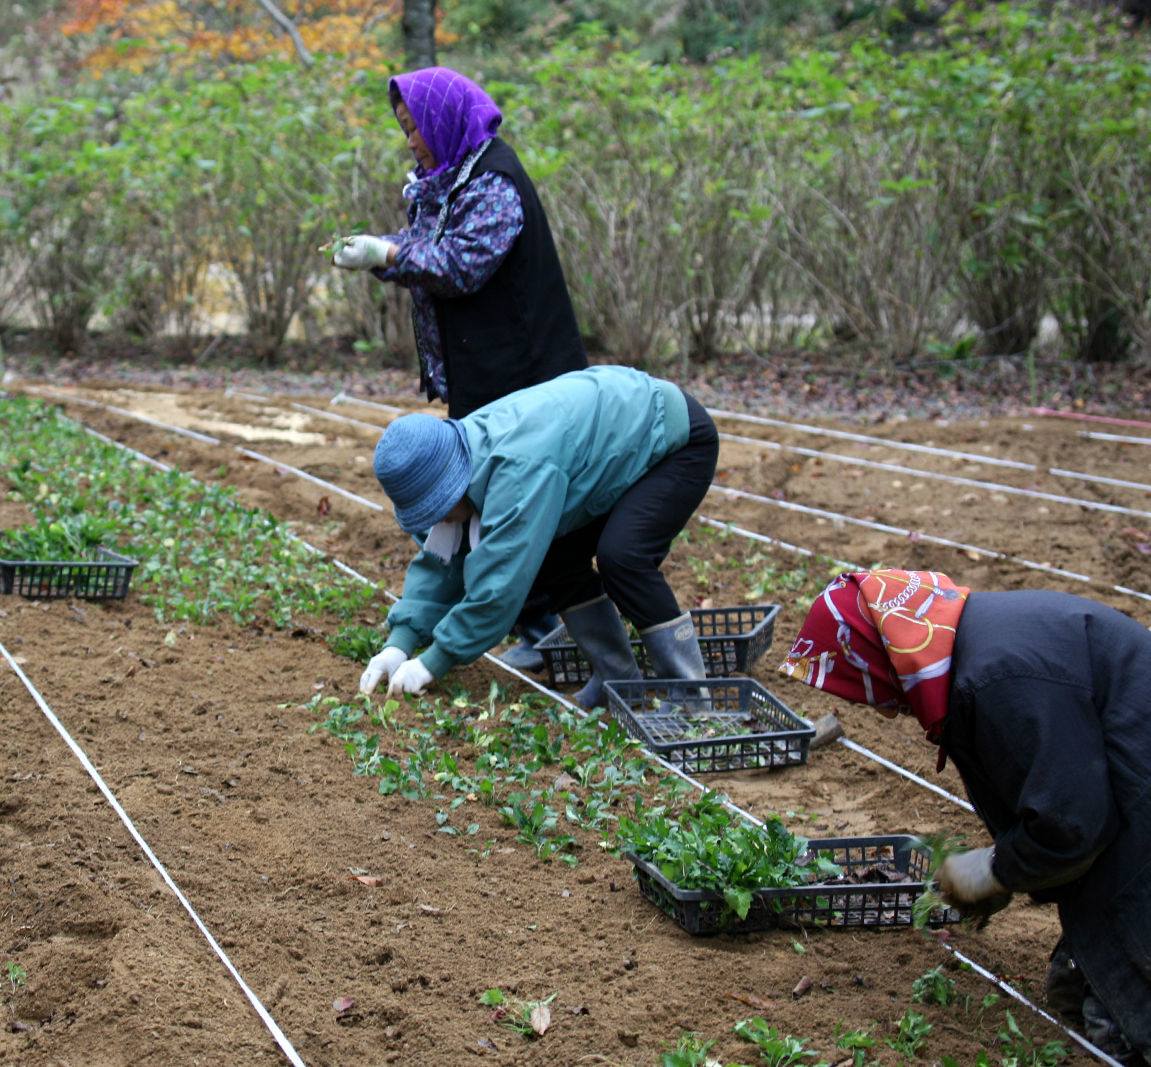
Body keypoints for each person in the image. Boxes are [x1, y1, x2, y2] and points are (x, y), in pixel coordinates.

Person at [779, 570, 1150, 1063]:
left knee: (1125, 1022)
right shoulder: (966, 646)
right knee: (1075, 990)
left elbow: (1072, 821)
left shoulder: (994, 680)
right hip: (1126, 783)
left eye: (864, 684)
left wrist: (994, 871)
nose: (885, 711)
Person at [332, 66, 589, 671]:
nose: (411, 140)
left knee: (522, 502)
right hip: (483, 369)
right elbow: (429, 241)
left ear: (445, 120)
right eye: (404, 129)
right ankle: (535, 623)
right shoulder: (445, 180)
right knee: (479, 498)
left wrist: (388, 254)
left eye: (416, 126)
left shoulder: (495, 181)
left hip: (524, 371)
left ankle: (555, 626)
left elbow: (459, 263)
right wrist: (383, 246)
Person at [358, 365, 718, 707]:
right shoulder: (454, 458)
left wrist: (431, 663)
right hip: (606, 452)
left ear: (456, 486)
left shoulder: (515, 473)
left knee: (624, 557)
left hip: (670, 439)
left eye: (438, 509)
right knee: (554, 561)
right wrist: (399, 644)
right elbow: (444, 562)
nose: (438, 520)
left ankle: (690, 697)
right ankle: (617, 680)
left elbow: (499, 588)